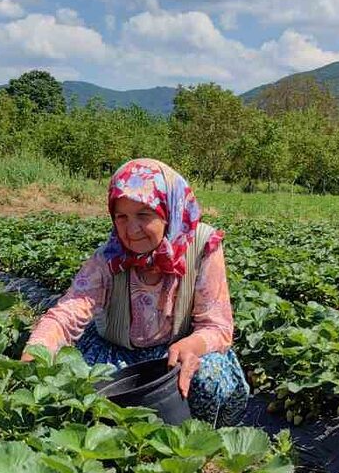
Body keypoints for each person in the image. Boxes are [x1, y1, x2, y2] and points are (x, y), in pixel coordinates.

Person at [24, 158, 249, 426]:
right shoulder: (109, 257)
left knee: (208, 375)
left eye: (144, 215)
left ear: (169, 210)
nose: (131, 230)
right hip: (116, 352)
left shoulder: (201, 247)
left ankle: (201, 438)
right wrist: (34, 354)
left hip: (178, 351)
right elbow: (68, 312)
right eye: (122, 216)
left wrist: (191, 346)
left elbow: (218, 326)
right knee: (83, 390)